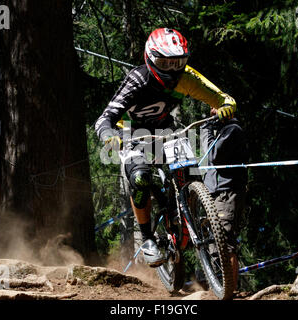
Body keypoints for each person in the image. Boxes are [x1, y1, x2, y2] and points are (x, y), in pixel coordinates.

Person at [95, 28, 237, 267]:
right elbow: (104, 118)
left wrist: (226, 107)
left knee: (192, 172)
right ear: (150, 58)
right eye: (164, 63)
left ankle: (195, 215)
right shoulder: (138, 79)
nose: (172, 70)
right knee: (140, 178)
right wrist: (110, 136)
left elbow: (224, 98)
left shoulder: (187, 77)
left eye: (177, 63)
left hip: (165, 129)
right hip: (129, 131)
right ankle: (148, 239)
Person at [200, 107, 248, 289]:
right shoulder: (223, 130)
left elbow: (212, 155)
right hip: (214, 193)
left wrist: (205, 129)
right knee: (214, 245)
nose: (212, 113)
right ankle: (219, 289)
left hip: (227, 193)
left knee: (225, 242)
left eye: (215, 109)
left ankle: (230, 291)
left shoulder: (232, 130)